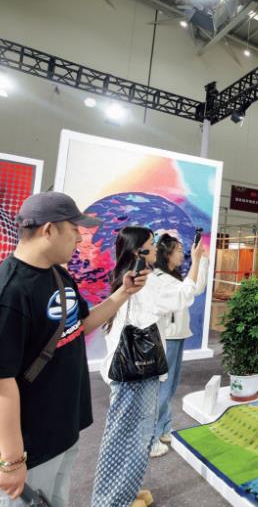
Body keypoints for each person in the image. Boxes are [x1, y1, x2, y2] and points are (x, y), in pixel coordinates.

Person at [0, 192, 147, 507]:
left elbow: (80, 326)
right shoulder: (10, 291)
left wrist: (123, 293)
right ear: (49, 230)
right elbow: (1, 382)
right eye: (74, 229)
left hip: (65, 427)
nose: (80, 238)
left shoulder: (58, 274)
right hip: (31, 443)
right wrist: (11, 459)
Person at [90, 227, 205, 506]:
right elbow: (185, 295)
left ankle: (125, 493)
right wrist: (197, 260)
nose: (155, 249)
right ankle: (112, 500)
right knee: (127, 437)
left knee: (130, 435)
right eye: (151, 245)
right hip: (136, 374)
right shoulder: (148, 282)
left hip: (127, 370)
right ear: (138, 251)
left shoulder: (128, 277)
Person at [150, 233, 208, 457]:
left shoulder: (171, 277)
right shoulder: (160, 278)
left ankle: (164, 428)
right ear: (166, 253)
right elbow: (189, 291)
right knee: (163, 389)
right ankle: (152, 437)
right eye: (179, 250)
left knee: (170, 387)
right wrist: (197, 260)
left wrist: (202, 260)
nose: (182, 254)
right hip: (168, 337)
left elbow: (194, 289)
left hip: (176, 336)